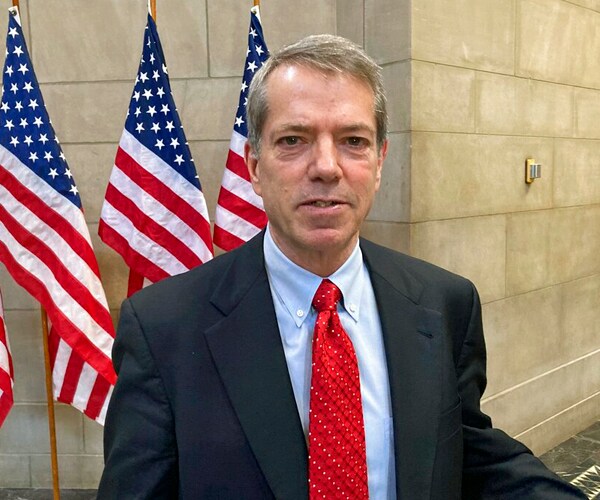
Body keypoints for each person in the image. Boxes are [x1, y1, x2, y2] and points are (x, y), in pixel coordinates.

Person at [98, 35, 585, 499]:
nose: (327, 167)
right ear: (253, 165)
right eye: (293, 140)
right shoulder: (165, 328)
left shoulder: (444, 303)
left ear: (378, 161)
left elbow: (467, 454)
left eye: (353, 140)